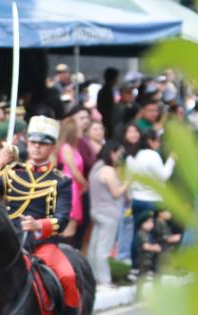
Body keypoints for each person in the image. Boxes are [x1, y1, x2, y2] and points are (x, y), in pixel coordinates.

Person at [0, 116, 80, 315]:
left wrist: (39, 225)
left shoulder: (61, 180)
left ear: (52, 147)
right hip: (9, 245)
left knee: (67, 278)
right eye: (33, 142)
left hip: (42, 245)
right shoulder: (12, 173)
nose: (36, 147)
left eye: (43, 144)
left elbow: (63, 218)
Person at [126, 130, 174, 261]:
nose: (158, 144)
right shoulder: (152, 155)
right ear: (150, 141)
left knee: (138, 234)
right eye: (157, 141)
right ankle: (152, 266)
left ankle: (135, 265)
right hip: (152, 200)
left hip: (136, 199)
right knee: (153, 235)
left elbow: (128, 179)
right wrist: (171, 160)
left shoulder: (132, 156)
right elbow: (163, 176)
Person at [87, 141, 128, 286]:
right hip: (109, 213)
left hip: (96, 211)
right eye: (119, 154)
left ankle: (93, 277)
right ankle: (105, 280)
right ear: (112, 153)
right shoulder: (108, 170)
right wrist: (127, 184)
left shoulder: (96, 167)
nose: (119, 157)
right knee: (103, 250)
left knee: (93, 247)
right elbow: (116, 193)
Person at [56, 115, 87, 244]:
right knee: (69, 226)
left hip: (75, 187)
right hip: (72, 187)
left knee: (72, 226)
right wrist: (85, 183)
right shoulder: (66, 148)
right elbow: (74, 171)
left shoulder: (73, 148)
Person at [135, 211, 161, 277]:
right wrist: (154, 248)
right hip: (143, 259)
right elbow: (145, 246)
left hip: (148, 259)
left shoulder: (148, 234)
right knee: (142, 275)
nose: (151, 224)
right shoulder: (142, 233)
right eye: (148, 222)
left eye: (152, 222)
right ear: (142, 224)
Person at [97, 67, 120, 138]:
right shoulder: (106, 91)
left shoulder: (108, 90)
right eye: (117, 77)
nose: (117, 80)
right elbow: (105, 109)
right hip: (108, 122)